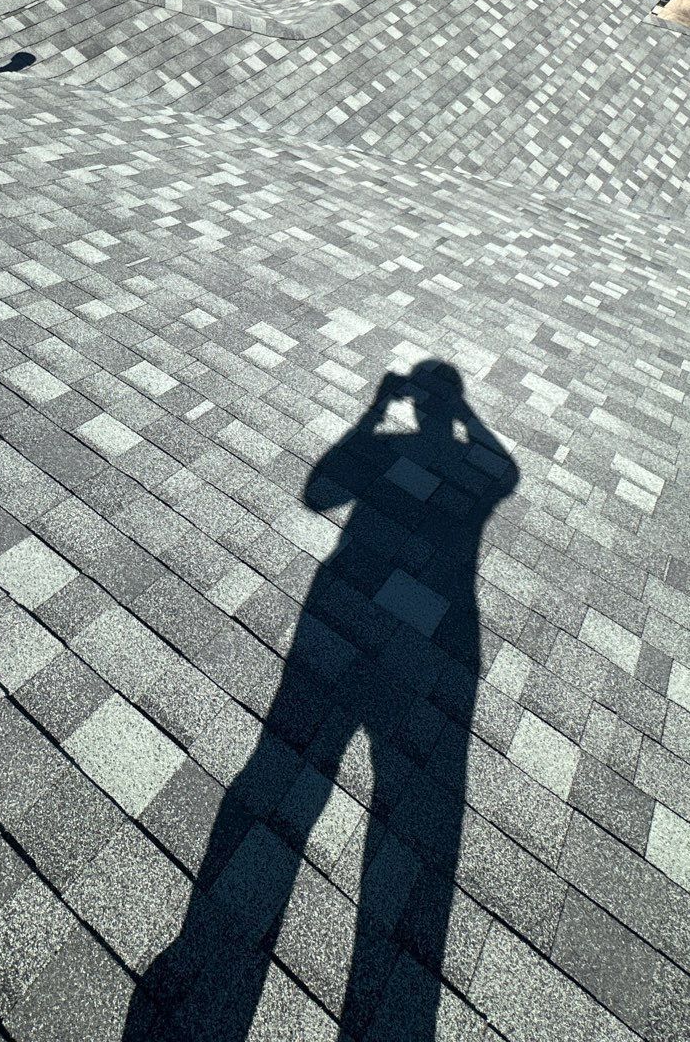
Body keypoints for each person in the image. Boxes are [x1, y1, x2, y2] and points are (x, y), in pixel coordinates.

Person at [125, 360, 518, 1042]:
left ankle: (210, 965)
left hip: (343, 598)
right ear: (452, 406)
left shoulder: (390, 444)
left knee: (279, 770)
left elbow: (317, 492)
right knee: (417, 812)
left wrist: (375, 411)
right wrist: (458, 416)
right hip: (445, 631)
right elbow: (501, 466)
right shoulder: (476, 466)